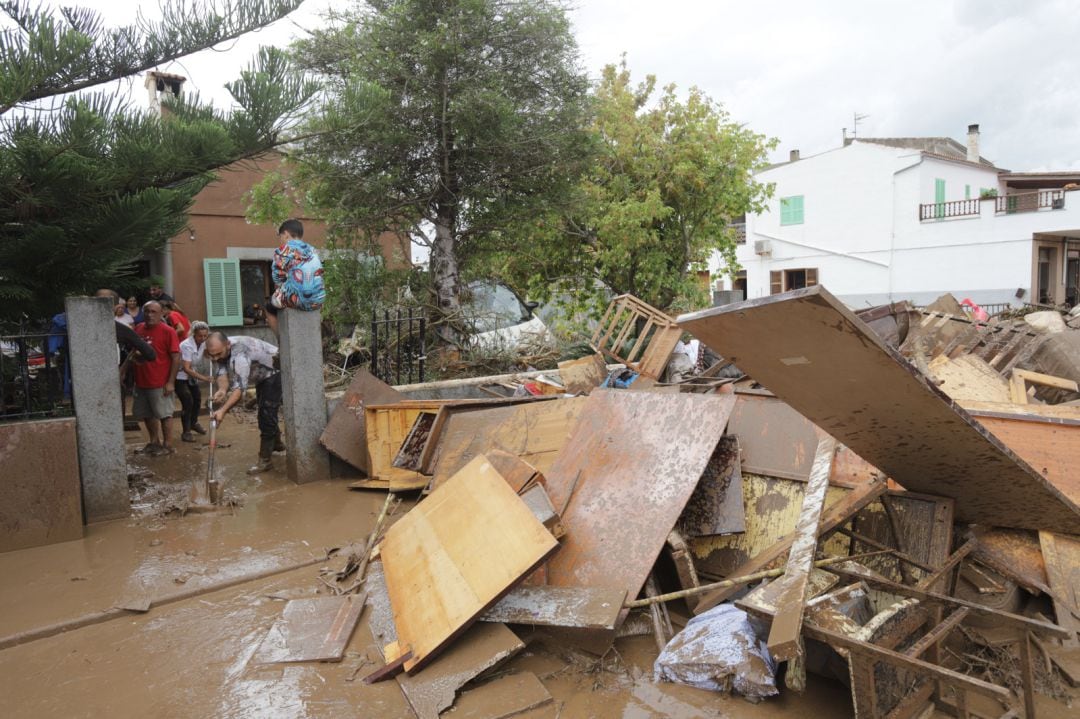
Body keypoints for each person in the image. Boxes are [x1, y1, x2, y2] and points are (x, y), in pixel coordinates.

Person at [205, 332, 285, 473]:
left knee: (266, 414)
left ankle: (265, 461)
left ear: (227, 345)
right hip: (261, 374)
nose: (216, 358)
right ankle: (276, 444)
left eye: (218, 354)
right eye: (213, 355)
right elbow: (222, 371)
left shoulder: (239, 356)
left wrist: (222, 411)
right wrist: (222, 390)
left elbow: (239, 391)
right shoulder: (220, 349)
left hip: (274, 372)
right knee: (265, 411)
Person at [132, 301, 181, 455]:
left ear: (161, 314)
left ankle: (168, 445)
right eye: (147, 311)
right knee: (146, 413)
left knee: (164, 414)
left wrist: (171, 382)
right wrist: (124, 370)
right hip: (141, 380)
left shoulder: (168, 331)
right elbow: (133, 353)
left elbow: (176, 357)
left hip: (160, 381)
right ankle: (154, 442)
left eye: (153, 312)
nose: (150, 315)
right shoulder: (138, 328)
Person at [265, 219, 325, 335]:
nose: (281, 240)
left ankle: (281, 341)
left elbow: (278, 279)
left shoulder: (282, 251)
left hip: (296, 300)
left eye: (281, 236)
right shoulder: (313, 251)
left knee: (268, 308)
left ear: (286, 234)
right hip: (318, 301)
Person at [175, 321, 211, 442]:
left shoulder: (203, 343)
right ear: (193, 334)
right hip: (179, 376)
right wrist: (204, 378)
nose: (203, 338)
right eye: (200, 336)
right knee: (188, 401)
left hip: (190, 376)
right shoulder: (186, 345)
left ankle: (193, 423)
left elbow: (206, 353)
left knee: (197, 398)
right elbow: (186, 368)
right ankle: (186, 432)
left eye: (205, 335)